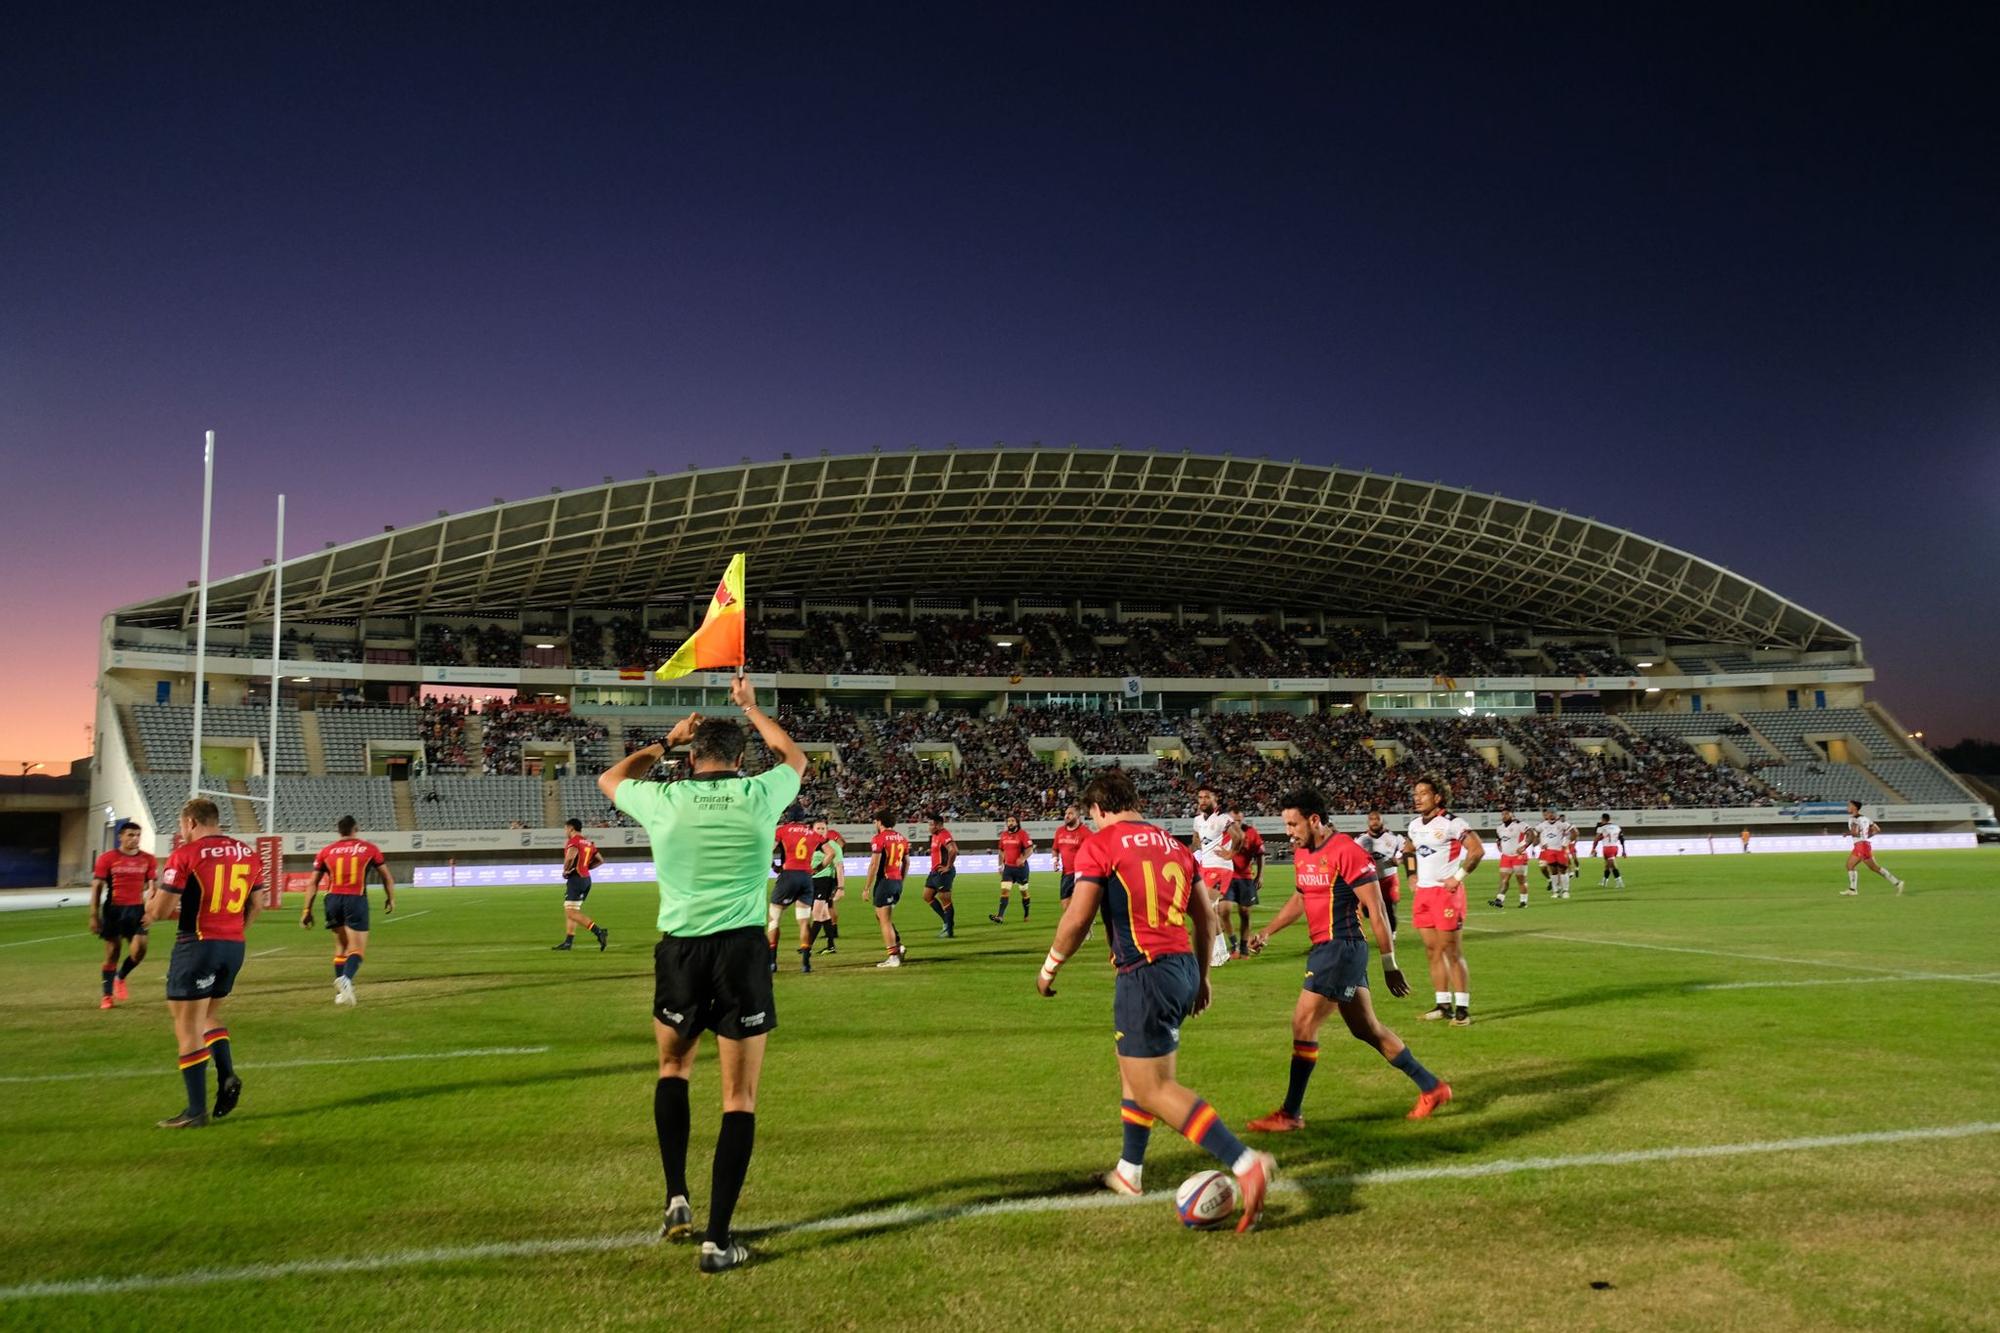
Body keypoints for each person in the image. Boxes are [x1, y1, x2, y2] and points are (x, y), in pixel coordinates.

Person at [595, 673, 806, 1274]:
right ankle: (718, 1240)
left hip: (681, 952)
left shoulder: (664, 797)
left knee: (673, 1068)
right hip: (740, 952)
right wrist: (753, 708)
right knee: (738, 1098)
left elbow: (611, 779)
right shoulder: (761, 793)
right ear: (741, 759)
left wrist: (664, 741)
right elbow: (794, 756)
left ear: (693, 757)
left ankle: (676, 1198)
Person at [1034, 768, 1275, 1232]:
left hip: (1144, 970)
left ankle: (1245, 1163)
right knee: (1134, 1069)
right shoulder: (1177, 847)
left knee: (1154, 1088)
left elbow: (1078, 917)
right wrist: (1203, 978)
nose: (1093, 822)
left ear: (1100, 808)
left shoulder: (1101, 843)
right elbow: (1205, 920)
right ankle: (1130, 1172)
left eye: (1093, 815)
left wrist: (1049, 968)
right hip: (1181, 965)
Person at [1245, 787, 1450, 1132]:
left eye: (1293, 824)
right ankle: (1432, 1087)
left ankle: (1290, 1114)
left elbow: (1377, 910)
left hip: (1340, 947)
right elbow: (1300, 899)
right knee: (1366, 1029)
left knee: (1303, 1023)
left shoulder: (1346, 852)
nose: (1289, 832)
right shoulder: (1302, 854)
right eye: (1286, 825)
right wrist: (1268, 932)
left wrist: (1390, 964)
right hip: (1330, 950)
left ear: (1314, 820)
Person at [147, 798, 263, 1128]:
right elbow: (257, 905)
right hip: (233, 946)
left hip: (196, 946)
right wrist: (232, 930)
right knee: (208, 1015)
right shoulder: (248, 852)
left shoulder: (187, 854)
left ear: (192, 822)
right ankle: (226, 1074)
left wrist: (152, 902)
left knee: (186, 1025)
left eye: (182, 825)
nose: (182, 831)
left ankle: (195, 1111)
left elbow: (158, 910)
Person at [1407, 775, 1483, 1026]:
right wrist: (1411, 874)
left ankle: (1463, 1009)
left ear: (1437, 797)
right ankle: (1443, 1005)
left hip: (1446, 894)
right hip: (1424, 895)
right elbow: (1408, 850)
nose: (1417, 797)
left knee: (1451, 951)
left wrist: (1458, 876)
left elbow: (1477, 850)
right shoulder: (1415, 825)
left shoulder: (1453, 823)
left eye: (1423, 793)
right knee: (1432, 951)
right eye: (1415, 793)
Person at [301, 815, 397, 1004]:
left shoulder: (327, 851)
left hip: (332, 899)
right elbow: (387, 876)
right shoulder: (369, 849)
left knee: (340, 947)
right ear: (356, 828)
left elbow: (313, 882)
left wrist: (306, 910)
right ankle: (346, 980)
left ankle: (341, 994)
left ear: (339, 831)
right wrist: (390, 898)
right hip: (355, 898)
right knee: (357, 950)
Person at [90, 820, 156, 1009]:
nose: (135, 839)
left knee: (140, 950)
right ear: (120, 836)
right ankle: (107, 996)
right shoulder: (107, 858)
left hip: (137, 910)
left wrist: (150, 911)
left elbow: (152, 887)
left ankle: (121, 977)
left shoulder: (148, 859)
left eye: (137, 836)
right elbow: (97, 886)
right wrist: (93, 915)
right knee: (113, 952)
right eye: (130, 835)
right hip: (113, 910)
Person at [768, 807, 821, 973]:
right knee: (804, 921)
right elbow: (831, 852)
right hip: (806, 877)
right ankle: (806, 963)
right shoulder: (812, 833)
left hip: (788, 875)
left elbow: (768, 849)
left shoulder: (782, 830)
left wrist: (774, 867)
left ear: (788, 817)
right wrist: (817, 869)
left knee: (774, 919)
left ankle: (772, 962)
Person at [1191, 786, 1236, 968]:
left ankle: (1219, 953)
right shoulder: (1197, 820)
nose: (1202, 800)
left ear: (1215, 799)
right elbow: (1196, 840)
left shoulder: (1224, 819)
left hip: (1220, 868)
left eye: (1206, 797)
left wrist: (1231, 854)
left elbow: (1239, 836)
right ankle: (1220, 953)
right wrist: (1196, 855)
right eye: (1200, 797)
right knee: (1207, 911)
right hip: (1205, 868)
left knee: (1207, 909)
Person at [553, 818, 609, 952]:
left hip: (576, 879)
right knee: (572, 911)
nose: (565, 831)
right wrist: (586, 867)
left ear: (571, 828)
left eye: (566, 829)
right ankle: (568, 942)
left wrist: (565, 870)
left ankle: (599, 932)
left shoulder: (574, 842)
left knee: (571, 912)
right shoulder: (588, 842)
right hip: (586, 879)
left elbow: (570, 857)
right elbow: (600, 860)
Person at [867, 810, 911, 968]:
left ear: (879, 822)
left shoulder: (879, 838)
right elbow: (907, 862)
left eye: (875, 821)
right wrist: (901, 880)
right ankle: (898, 947)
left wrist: (866, 887)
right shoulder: (902, 838)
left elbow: (874, 864)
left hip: (885, 881)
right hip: (896, 881)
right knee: (880, 916)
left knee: (884, 920)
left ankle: (893, 957)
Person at [1352, 811, 1403, 939]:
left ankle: (1391, 935)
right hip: (1369, 879)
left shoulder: (1394, 837)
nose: (1374, 821)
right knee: (1368, 911)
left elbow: (1403, 852)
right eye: (1371, 819)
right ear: (1368, 822)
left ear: (1382, 821)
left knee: (1389, 907)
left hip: (1389, 878)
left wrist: (1399, 860)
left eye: (1377, 819)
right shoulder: (1360, 839)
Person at [1223, 819, 1266, 957]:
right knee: (1224, 910)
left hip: (1245, 878)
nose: (1236, 818)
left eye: (1238, 815)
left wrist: (1260, 875)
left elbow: (1260, 854)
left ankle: (1244, 947)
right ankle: (1234, 945)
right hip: (1227, 876)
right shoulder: (1222, 831)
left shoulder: (1251, 832)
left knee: (1245, 913)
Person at [1843, 800, 1905, 895]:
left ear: (1855, 807)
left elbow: (1855, 832)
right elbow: (1877, 829)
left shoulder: (1854, 819)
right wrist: (1866, 837)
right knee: (1849, 865)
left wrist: (1846, 834)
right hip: (1861, 845)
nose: (1847, 807)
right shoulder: (1866, 818)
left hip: (1861, 846)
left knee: (1875, 868)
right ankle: (1852, 890)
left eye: (1849, 805)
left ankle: (1897, 883)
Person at [807, 817, 845, 955]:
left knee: (817, 913)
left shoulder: (832, 846)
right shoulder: (810, 844)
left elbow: (839, 867)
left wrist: (841, 888)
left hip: (825, 880)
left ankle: (807, 946)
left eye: (823, 828)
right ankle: (831, 945)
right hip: (812, 880)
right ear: (812, 830)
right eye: (818, 828)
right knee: (823, 914)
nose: (821, 831)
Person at [990, 814, 1034, 923]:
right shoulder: (1004, 835)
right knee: (1004, 892)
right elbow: (1001, 851)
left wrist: (1023, 858)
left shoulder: (1023, 834)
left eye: (1012, 821)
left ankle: (1026, 914)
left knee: (1024, 892)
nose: (1010, 823)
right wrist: (1000, 865)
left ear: (1017, 822)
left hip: (1021, 869)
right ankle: (1000, 916)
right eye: (1008, 821)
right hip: (1008, 869)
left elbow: (1030, 849)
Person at [923, 812, 958, 938]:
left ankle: (949, 930)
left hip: (943, 873)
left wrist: (948, 866)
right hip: (934, 872)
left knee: (945, 900)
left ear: (938, 825)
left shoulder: (944, 834)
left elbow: (953, 850)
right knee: (927, 896)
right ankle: (946, 922)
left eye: (931, 825)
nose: (929, 827)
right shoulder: (935, 835)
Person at [1489, 809, 1533, 909]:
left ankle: (1523, 901)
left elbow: (1531, 833)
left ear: (1511, 815)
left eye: (1506, 814)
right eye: (1502, 814)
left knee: (1520, 880)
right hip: (1506, 857)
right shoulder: (1499, 828)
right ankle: (1499, 900)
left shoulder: (1519, 824)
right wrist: (1499, 845)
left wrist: (1525, 846)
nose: (1504, 816)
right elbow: (1499, 838)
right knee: (1504, 880)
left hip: (1519, 856)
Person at [1050, 804, 1089, 904]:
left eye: (1070, 814)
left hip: (1081, 873)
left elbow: (1092, 852)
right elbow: (1055, 849)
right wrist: (1055, 861)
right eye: (1066, 813)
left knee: (1082, 902)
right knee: (1065, 902)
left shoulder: (1086, 832)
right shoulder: (1060, 831)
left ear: (1077, 816)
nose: (1067, 816)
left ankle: (1087, 918)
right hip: (1066, 873)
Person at [1532, 807, 1572, 901]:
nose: (1551, 815)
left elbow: (1571, 832)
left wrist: (1565, 843)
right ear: (1547, 814)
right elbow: (1534, 832)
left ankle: (1565, 891)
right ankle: (1555, 891)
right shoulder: (1542, 825)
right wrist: (1538, 841)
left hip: (1560, 851)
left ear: (1556, 814)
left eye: (1553, 813)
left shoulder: (1562, 824)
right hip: (1549, 851)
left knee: (1563, 870)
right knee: (1553, 871)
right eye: (1549, 813)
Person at [1592, 814, 1627, 888]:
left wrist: (1593, 848)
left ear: (1603, 819)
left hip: (1608, 848)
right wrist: (1624, 851)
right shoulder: (1617, 827)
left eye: (1601, 819)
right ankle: (1604, 881)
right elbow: (1622, 839)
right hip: (1614, 847)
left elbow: (1596, 839)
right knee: (1607, 866)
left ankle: (1619, 882)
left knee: (1613, 865)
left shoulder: (1601, 828)